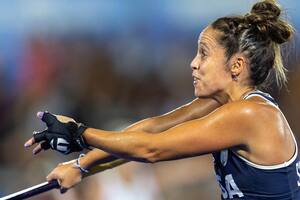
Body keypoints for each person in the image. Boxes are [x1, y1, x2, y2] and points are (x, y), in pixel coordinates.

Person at [24, 0, 299, 199]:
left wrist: (80, 134)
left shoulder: (251, 115)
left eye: (204, 53)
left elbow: (151, 150)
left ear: (236, 66)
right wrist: (81, 165)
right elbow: (151, 129)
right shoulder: (220, 104)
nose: (193, 63)